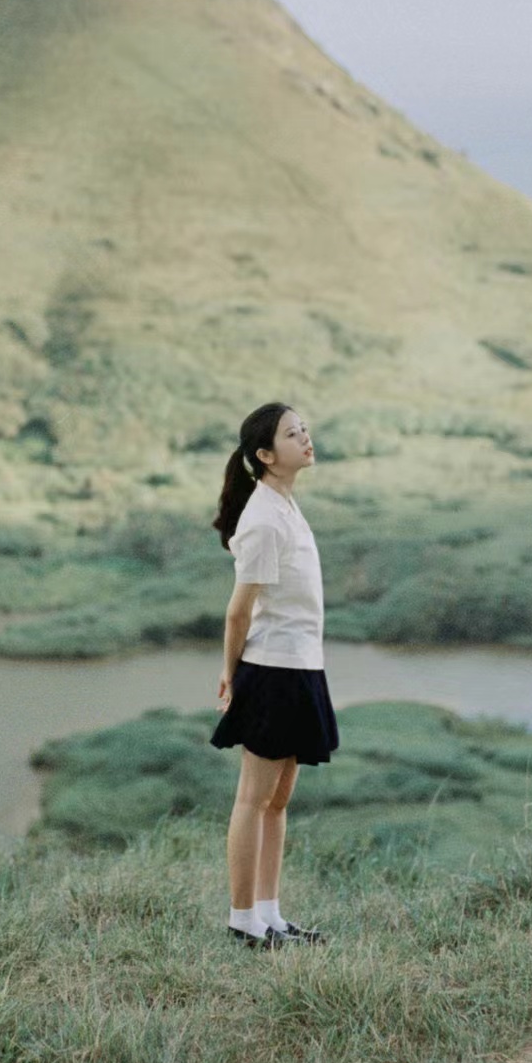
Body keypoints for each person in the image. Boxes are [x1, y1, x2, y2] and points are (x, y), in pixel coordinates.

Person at [209, 400, 338, 949]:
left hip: (301, 666)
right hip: (271, 670)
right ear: (265, 455)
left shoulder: (284, 504)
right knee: (252, 798)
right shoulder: (262, 518)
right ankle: (242, 922)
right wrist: (229, 674)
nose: (305, 438)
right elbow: (239, 610)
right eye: (292, 433)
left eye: (304, 428)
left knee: (279, 799)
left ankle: (269, 915)